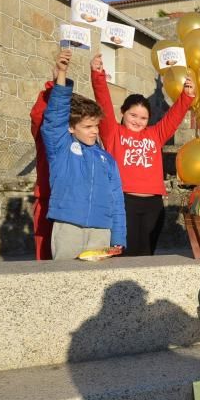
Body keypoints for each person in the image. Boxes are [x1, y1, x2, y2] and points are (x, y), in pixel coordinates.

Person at [92, 54, 194, 256]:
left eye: (143, 117)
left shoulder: (155, 134)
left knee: (147, 255)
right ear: (123, 112)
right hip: (123, 201)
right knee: (124, 254)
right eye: (133, 115)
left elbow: (173, 117)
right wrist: (98, 75)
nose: (138, 121)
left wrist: (187, 95)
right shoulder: (113, 132)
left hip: (153, 204)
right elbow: (102, 102)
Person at [41, 49, 126, 260]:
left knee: (97, 285)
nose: (95, 131)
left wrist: (118, 237)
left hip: (101, 231)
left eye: (96, 126)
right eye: (88, 126)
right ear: (71, 127)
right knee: (64, 282)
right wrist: (61, 74)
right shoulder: (61, 148)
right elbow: (55, 118)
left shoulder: (107, 160)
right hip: (68, 227)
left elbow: (117, 200)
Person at [29, 74, 56, 260]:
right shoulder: (43, 133)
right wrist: (54, 86)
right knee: (45, 259)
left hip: (72, 203)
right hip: (47, 198)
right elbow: (38, 115)